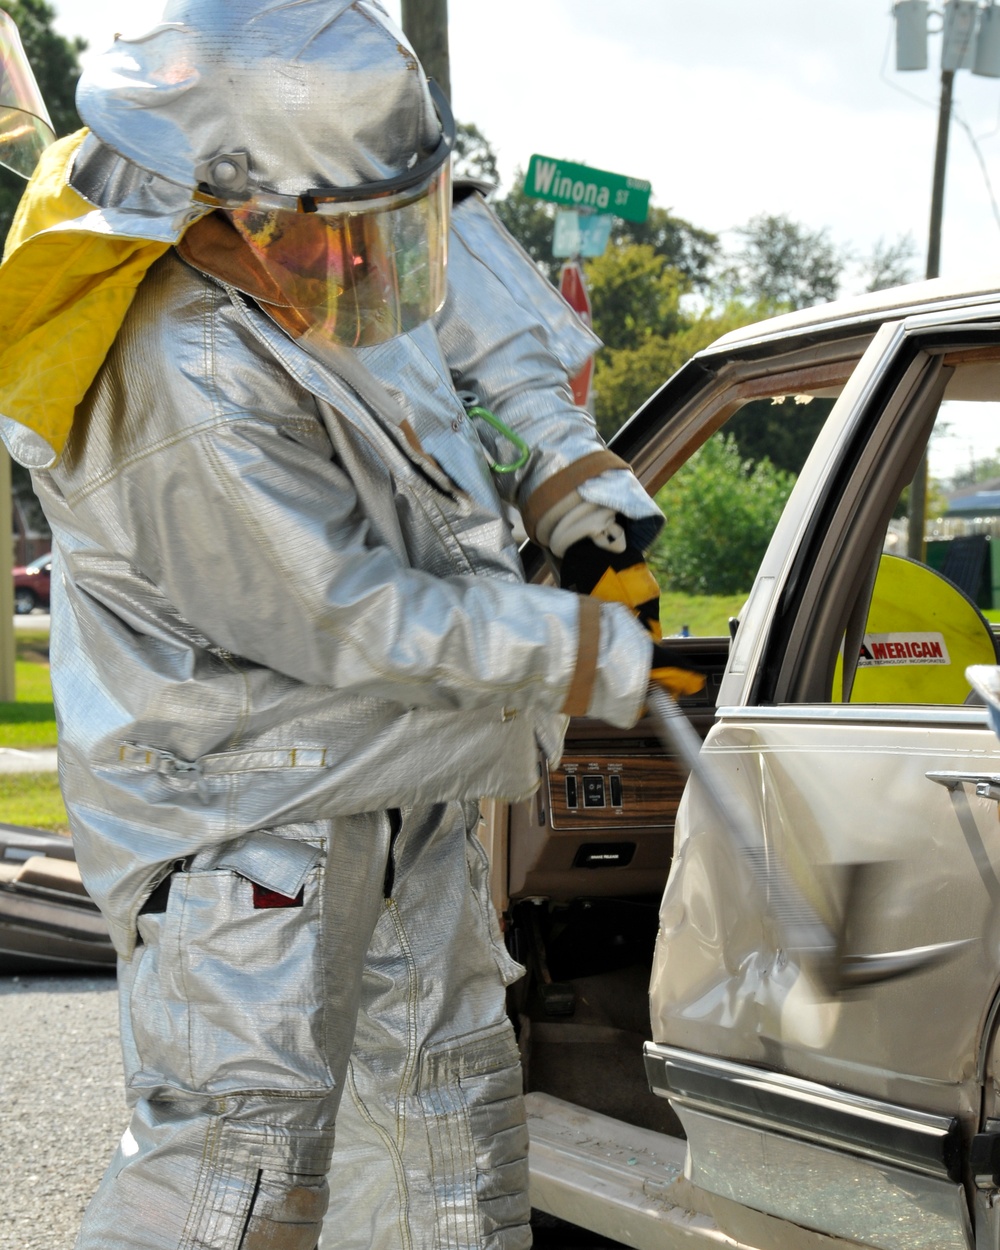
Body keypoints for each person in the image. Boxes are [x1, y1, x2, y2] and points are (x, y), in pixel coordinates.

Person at [0, 3, 691, 1247]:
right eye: (353, 233)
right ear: (221, 203)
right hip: (243, 823)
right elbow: (343, 616)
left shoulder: (320, 251)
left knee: (443, 1131)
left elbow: (461, 265)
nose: (385, 262)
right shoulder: (183, 377)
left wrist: (564, 461)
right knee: (237, 1173)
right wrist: (567, 648)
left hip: (393, 786)